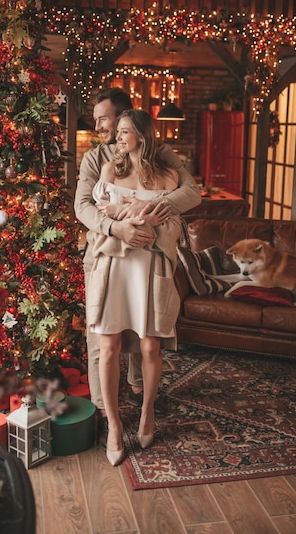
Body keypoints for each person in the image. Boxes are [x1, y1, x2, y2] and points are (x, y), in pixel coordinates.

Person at [74, 87, 201, 445]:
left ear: (125, 118)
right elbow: (84, 207)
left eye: (105, 118)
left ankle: (140, 392)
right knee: (104, 338)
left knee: (144, 335)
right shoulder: (97, 160)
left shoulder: (161, 154)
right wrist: (117, 226)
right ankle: (105, 412)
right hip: (106, 254)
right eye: (98, 119)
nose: (100, 125)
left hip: (147, 257)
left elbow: (191, 193)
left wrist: (151, 208)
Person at [86, 108, 182, 466]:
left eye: (125, 131)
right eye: (119, 131)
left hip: (150, 266)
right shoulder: (111, 170)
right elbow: (101, 214)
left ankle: (147, 413)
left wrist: (131, 211)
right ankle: (113, 425)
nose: (118, 137)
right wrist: (135, 215)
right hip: (115, 265)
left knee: (150, 346)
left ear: (142, 134)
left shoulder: (169, 176)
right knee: (108, 345)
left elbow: (172, 226)